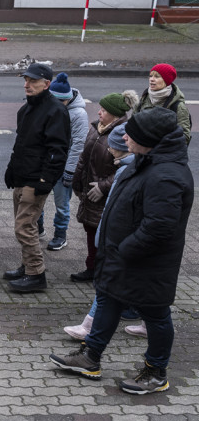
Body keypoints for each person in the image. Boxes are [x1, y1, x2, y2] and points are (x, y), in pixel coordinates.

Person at [50, 108, 194, 395]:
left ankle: (156, 373)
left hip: (147, 263)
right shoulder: (146, 162)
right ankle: (90, 358)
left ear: (151, 140)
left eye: (134, 134)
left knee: (155, 315)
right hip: (123, 257)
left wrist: (124, 249)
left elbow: (159, 227)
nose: (125, 136)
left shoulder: (166, 175)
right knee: (109, 301)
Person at [63, 122, 138, 340]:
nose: (110, 148)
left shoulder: (127, 171)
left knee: (108, 285)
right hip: (120, 239)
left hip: (121, 240)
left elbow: (122, 209)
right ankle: (148, 321)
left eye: (113, 146)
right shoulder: (127, 168)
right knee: (126, 285)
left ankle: (90, 333)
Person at [3, 63, 70, 294]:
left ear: (46, 84)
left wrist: (45, 181)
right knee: (24, 226)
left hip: (36, 180)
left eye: (32, 81)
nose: (27, 84)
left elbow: (57, 151)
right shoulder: (26, 109)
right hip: (22, 176)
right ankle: (27, 266)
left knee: (25, 227)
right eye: (25, 80)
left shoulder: (55, 111)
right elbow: (21, 144)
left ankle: (36, 274)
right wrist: (11, 169)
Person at [68, 91, 137, 282]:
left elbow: (127, 165)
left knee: (104, 233)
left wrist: (103, 187)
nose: (99, 113)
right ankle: (92, 268)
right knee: (90, 229)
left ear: (115, 114)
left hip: (104, 194)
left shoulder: (122, 133)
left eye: (104, 110)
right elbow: (84, 156)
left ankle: (103, 272)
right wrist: (77, 182)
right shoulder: (96, 128)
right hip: (89, 191)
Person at [35, 73, 89, 251]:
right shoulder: (49, 106)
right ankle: (38, 228)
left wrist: (70, 171)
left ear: (67, 100)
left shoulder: (79, 115)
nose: (56, 105)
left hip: (63, 167)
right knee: (37, 199)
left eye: (60, 101)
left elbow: (78, 145)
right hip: (46, 164)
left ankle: (60, 235)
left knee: (62, 205)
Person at [134, 63, 191, 144]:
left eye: (157, 76)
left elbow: (184, 137)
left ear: (166, 80)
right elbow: (132, 124)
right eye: (150, 76)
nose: (151, 79)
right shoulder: (143, 99)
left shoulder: (178, 106)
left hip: (164, 154)